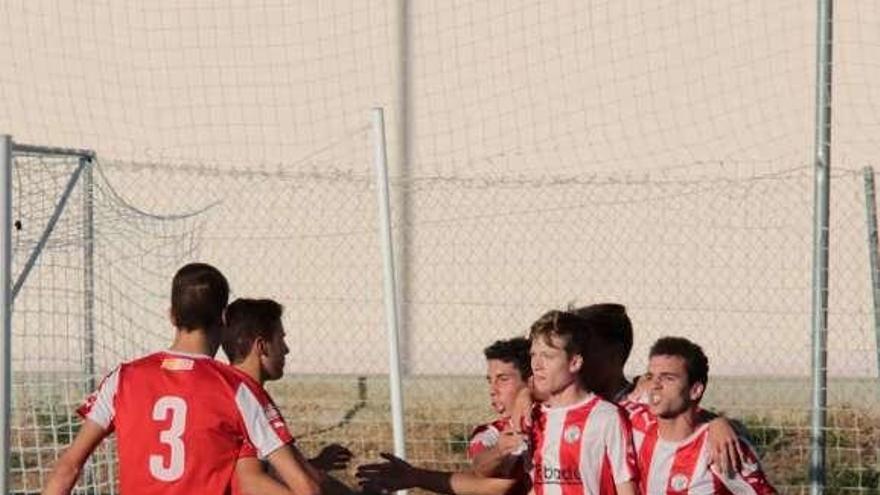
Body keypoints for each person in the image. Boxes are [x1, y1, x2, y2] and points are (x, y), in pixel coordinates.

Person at [42, 263, 321, 495]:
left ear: (172, 316)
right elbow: (305, 488)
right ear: (223, 318)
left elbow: (67, 469)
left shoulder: (123, 378)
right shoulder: (237, 389)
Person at [356, 337, 532, 495]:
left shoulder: (551, 419)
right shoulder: (490, 433)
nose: (493, 390)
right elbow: (484, 473)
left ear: (529, 380)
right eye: (489, 380)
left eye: (503, 379)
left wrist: (526, 395)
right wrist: (500, 450)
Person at [221, 297, 353, 495]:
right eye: (280, 339)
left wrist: (314, 464)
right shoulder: (249, 397)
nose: (286, 349)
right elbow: (307, 486)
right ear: (262, 346)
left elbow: (251, 469)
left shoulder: (222, 387)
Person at [636, 337, 776, 494]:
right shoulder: (635, 421)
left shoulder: (720, 448)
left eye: (668, 378)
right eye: (651, 377)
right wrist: (718, 420)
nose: (655, 385)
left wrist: (718, 423)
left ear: (695, 390)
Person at [525, 310, 639, 495]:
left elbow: (626, 487)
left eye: (548, 356)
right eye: (533, 355)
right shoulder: (534, 417)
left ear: (575, 362)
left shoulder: (607, 417)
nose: (537, 364)